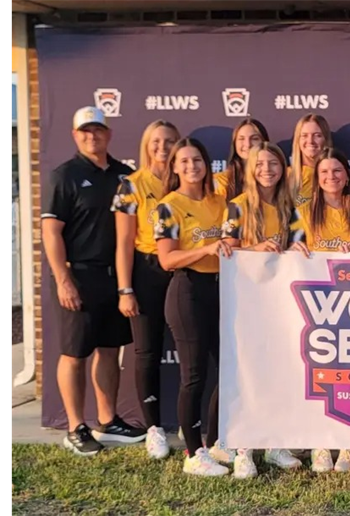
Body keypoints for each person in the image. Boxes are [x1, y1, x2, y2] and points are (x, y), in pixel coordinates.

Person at [41, 106, 144, 456]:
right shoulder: (64, 176)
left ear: (109, 133)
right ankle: (75, 427)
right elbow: (51, 233)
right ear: (74, 135)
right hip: (79, 276)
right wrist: (63, 279)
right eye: (85, 131)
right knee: (74, 354)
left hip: (115, 278)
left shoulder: (125, 175)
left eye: (98, 130)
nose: (92, 136)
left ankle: (107, 420)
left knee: (109, 350)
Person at [220, 142, 305, 478]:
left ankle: (274, 443)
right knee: (247, 374)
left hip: (280, 301)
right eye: (260, 164)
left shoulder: (291, 208)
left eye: (274, 164)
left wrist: (298, 249)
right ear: (250, 170)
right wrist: (255, 249)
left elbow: (300, 244)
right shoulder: (237, 207)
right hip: (246, 300)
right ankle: (244, 448)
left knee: (277, 371)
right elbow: (226, 248)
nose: (267, 170)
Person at [154, 138, 231, 477]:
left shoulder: (221, 201)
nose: (191, 166)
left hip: (222, 290)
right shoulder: (168, 206)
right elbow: (167, 259)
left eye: (197, 159)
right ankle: (192, 452)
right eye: (183, 161)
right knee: (194, 376)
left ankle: (214, 441)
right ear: (174, 167)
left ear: (206, 164)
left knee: (229, 371)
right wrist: (205, 249)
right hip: (188, 291)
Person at [290, 147, 350, 474]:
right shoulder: (302, 214)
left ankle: (349, 445)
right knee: (318, 378)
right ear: (316, 180)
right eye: (324, 173)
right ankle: (320, 443)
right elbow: (288, 251)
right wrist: (294, 248)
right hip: (316, 308)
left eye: (337, 172)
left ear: (347, 176)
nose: (331, 177)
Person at [112, 119, 181, 460]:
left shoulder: (188, 179)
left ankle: (193, 421)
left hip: (184, 268)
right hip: (147, 270)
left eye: (170, 141)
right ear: (146, 144)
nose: (162, 147)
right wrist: (125, 288)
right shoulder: (131, 185)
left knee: (196, 350)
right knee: (147, 352)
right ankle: (153, 428)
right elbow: (124, 242)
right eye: (156, 141)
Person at [214, 118, 270, 201]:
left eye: (254, 138)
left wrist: (296, 204)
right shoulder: (221, 181)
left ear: (265, 143)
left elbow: (295, 202)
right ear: (234, 144)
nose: (247, 144)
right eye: (241, 139)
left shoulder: (277, 176)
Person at [289, 113, 332, 205]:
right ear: (298, 140)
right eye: (304, 135)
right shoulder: (285, 176)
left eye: (317, 135)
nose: (310, 141)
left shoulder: (335, 177)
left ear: (326, 139)